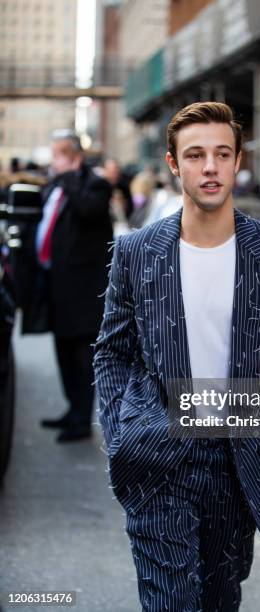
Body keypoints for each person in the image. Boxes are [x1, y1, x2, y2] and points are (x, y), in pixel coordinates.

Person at [94, 102, 260, 611]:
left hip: (240, 461)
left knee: (220, 601)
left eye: (222, 153)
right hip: (157, 452)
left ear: (238, 160)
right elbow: (112, 352)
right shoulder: (137, 252)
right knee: (170, 602)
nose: (210, 167)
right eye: (195, 155)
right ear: (174, 164)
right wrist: (119, 430)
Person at [39, 130, 113, 442]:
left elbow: (87, 210)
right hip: (56, 285)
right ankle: (72, 409)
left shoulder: (94, 184)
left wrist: (69, 176)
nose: (53, 162)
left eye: (58, 155)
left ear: (74, 158)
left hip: (82, 292)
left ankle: (82, 420)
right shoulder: (55, 186)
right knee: (63, 353)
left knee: (82, 359)